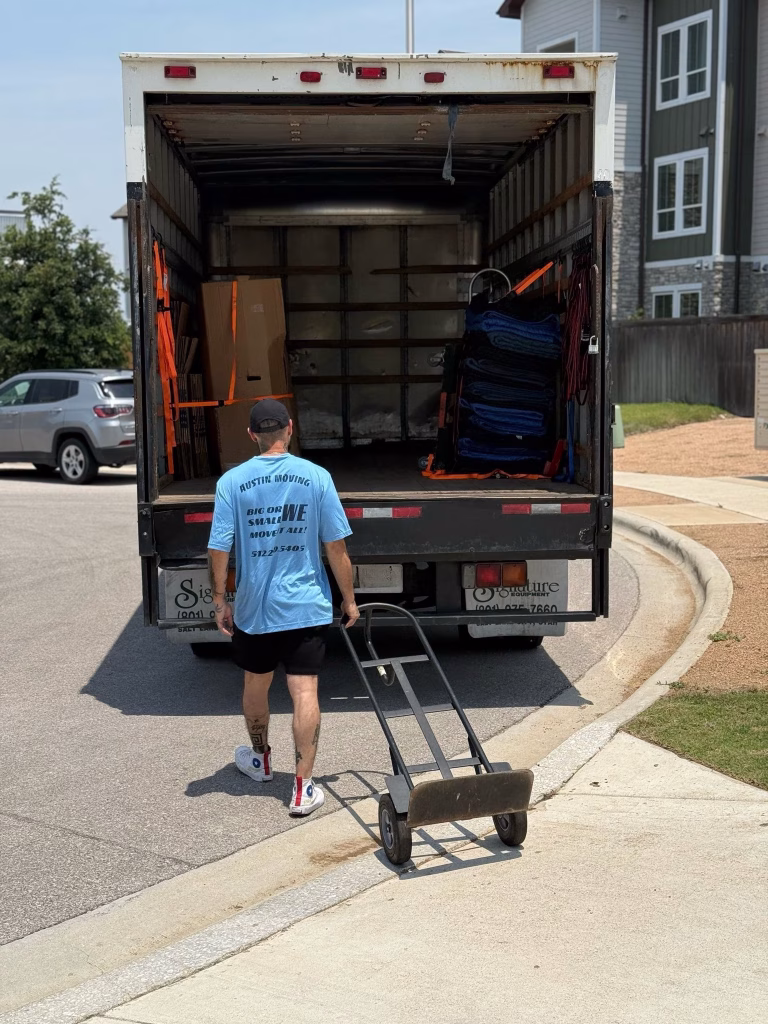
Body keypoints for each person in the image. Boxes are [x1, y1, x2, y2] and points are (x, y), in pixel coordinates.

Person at [207, 398, 359, 817]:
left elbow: (219, 548)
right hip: (305, 605)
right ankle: (303, 787)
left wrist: (220, 600)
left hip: (255, 608)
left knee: (256, 685)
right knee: (304, 690)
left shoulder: (232, 482)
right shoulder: (316, 477)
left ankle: (260, 760)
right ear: (290, 429)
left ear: (251, 435)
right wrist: (348, 598)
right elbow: (336, 547)